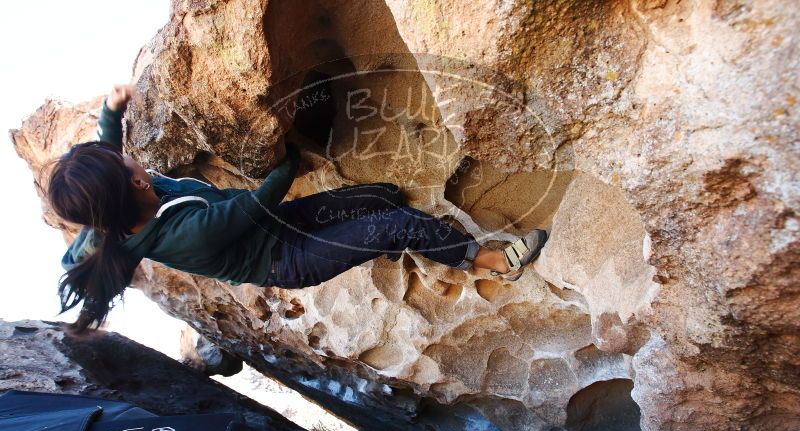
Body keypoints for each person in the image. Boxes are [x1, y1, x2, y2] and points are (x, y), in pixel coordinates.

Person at [48, 84, 548, 334]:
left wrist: (111, 111)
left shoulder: (124, 201)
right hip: (287, 258)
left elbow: (110, 154)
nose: (127, 156)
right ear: (134, 182)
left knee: (384, 197)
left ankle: (392, 238)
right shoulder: (181, 235)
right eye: (124, 163)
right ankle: (490, 261)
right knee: (397, 223)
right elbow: (264, 195)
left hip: (279, 226)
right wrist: (284, 148)